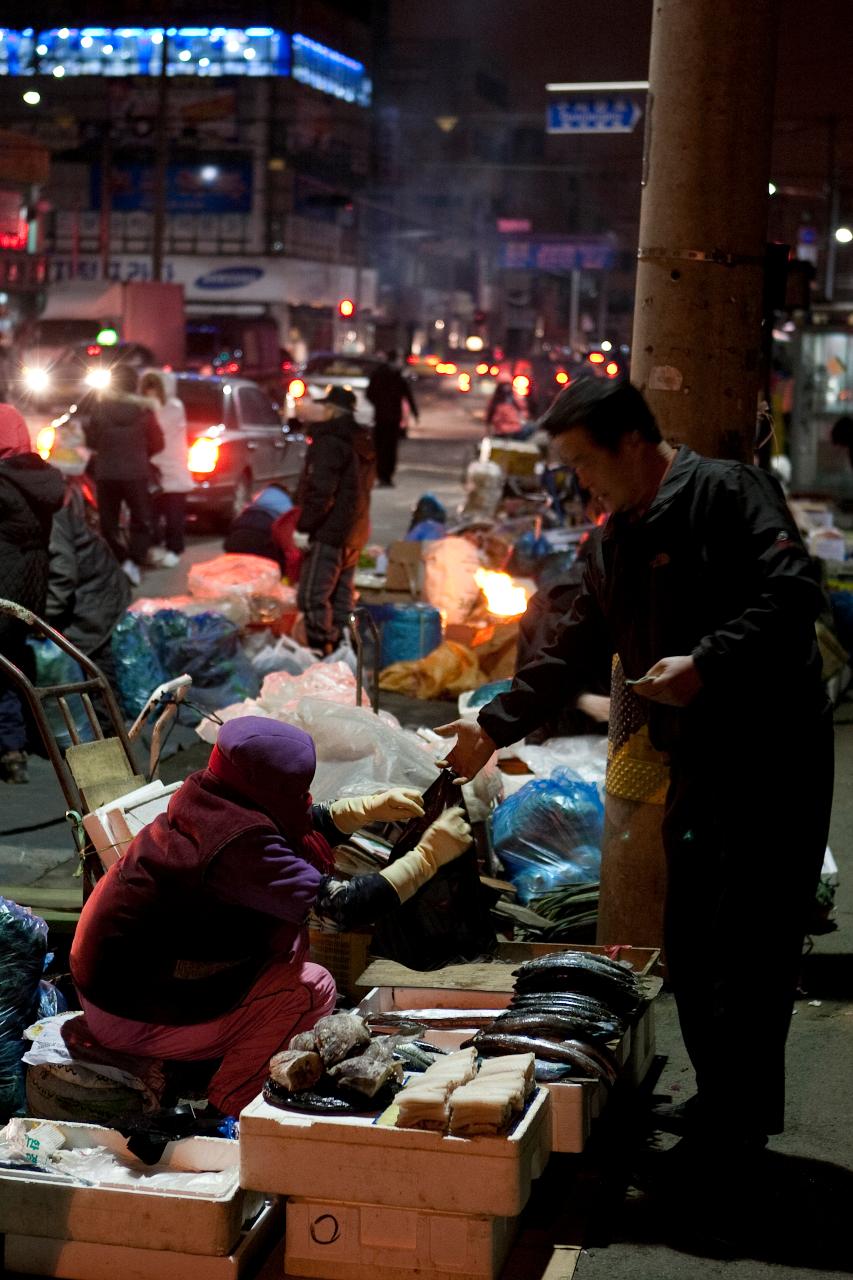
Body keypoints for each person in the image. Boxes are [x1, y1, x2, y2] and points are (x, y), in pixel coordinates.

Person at [436, 375, 833, 1169]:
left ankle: (738, 1134)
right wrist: (490, 723)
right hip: (697, 758)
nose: (581, 480)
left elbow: (795, 589)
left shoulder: (725, 491)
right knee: (691, 944)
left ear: (631, 443)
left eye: (586, 461)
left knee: (750, 948)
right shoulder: (613, 537)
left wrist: (708, 664)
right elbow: (572, 649)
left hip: (774, 752)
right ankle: (727, 1103)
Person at [70, 717, 472, 1116]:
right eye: (296, 789)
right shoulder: (235, 847)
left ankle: (217, 1054)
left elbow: (286, 826)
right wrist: (427, 858)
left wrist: (361, 811)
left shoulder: (211, 794)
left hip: (115, 984)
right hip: (129, 1011)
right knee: (312, 988)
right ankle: (235, 1100)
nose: (305, 798)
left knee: (293, 958)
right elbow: (342, 905)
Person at [0, 402, 64, 783]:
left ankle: (11, 749)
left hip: (3, 585)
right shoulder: (43, 480)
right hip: (29, 591)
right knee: (11, 664)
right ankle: (16, 746)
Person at [295, 385, 375, 654]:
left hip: (330, 533)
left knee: (311, 597)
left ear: (330, 410)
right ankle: (347, 651)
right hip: (355, 531)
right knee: (342, 599)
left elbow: (322, 491)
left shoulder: (330, 441)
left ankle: (324, 649)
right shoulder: (361, 441)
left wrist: (304, 527)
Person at [46, 480, 131, 695]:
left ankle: (109, 727)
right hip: (91, 595)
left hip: (93, 599)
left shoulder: (48, 516)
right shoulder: (38, 505)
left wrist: (39, 622)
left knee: (97, 675)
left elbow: (62, 574)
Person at [83, 364, 164, 586]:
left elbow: (91, 441)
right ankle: (133, 562)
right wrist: (139, 451)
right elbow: (159, 442)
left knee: (108, 523)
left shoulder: (100, 409)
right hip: (136, 472)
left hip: (106, 472)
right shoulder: (144, 411)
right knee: (141, 520)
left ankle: (119, 560)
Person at [140, 370, 191, 570]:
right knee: (151, 514)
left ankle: (174, 549)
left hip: (173, 470)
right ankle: (155, 546)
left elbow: (158, 428)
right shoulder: (147, 410)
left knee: (174, 516)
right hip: (154, 471)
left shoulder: (174, 407)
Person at [366, 349, 419, 487]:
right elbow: (407, 394)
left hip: (385, 417)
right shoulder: (392, 376)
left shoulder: (385, 374)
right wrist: (414, 412)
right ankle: (385, 476)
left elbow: (370, 393)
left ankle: (384, 476)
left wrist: (379, 404)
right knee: (387, 448)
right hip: (389, 417)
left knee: (383, 447)